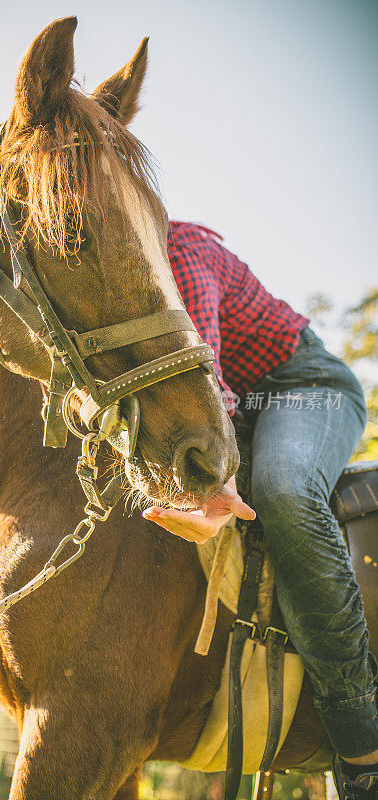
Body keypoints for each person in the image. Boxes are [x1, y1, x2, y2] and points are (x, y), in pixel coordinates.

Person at [142, 221, 378, 799]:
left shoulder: (181, 249)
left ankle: (361, 741)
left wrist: (208, 484)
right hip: (244, 407)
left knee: (284, 492)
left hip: (302, 385)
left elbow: (203, 371)